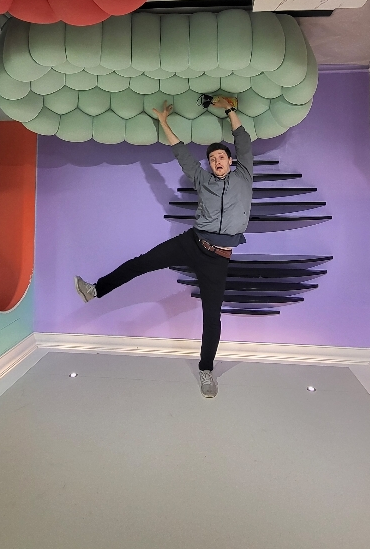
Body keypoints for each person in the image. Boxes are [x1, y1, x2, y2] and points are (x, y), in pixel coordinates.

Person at [75, 97, 254, 398]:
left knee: (212, 317)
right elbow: (181, 153)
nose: (217, 161)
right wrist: (163, 123)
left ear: (230, 160)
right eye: (212, 159)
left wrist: (230, 110)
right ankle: (94, 290)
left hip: (217, 259)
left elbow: (243, 140)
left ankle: (206, 370)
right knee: (142, 262)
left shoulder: (244, 176)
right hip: (192, 242)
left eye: (221, 157)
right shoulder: (203, 180)